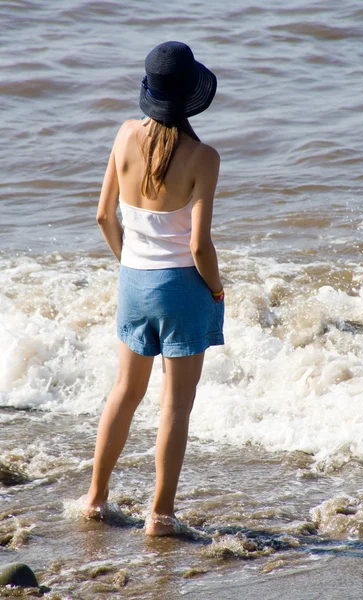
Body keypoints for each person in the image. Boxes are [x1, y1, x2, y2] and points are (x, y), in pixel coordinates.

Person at [81, 41, 224, 536]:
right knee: (175, 406)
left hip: (133, 282)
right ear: (191, 96)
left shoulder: (123, 135)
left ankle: (96, 498)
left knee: (123, 392)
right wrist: (218, 290)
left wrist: (133, 266)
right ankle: (160, 515)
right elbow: (199, 244)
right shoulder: (202, 157)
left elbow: (103, 215)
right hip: (183, 287)